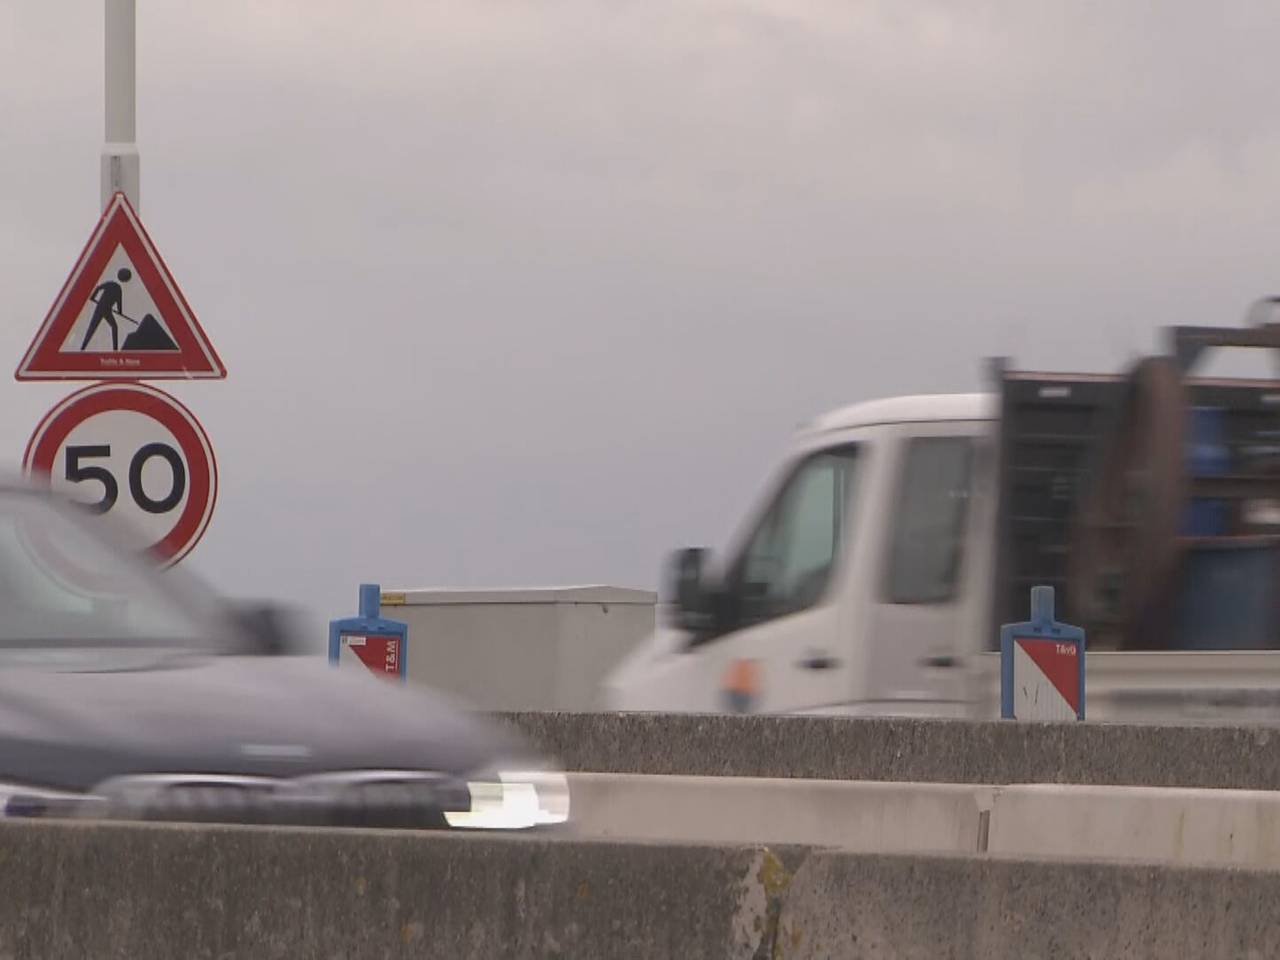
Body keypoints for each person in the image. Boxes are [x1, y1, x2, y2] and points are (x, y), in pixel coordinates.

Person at [82, 268, 132, 351]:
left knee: (110, 327)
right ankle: (83, 347)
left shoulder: (112, 285)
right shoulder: (117, 288)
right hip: (101, 309)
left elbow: (98, 288)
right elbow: (119, 302)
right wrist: (120, 312)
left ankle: (115, 349)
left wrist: (93, 297)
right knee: (93, 327)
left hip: (105, 310)